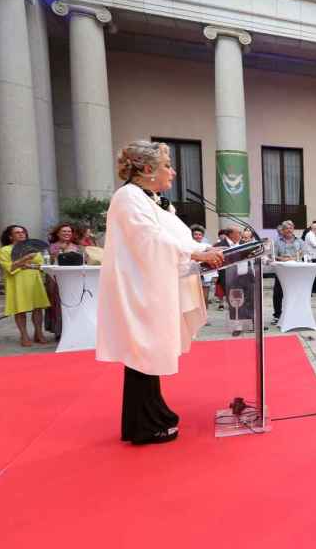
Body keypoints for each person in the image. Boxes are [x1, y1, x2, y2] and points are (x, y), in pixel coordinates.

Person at [95, 140, 223, 445]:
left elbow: (172, 236)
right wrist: (196, 255)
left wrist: (202, 249)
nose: (173, 172)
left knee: (148, 353)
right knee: (143, 352)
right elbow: (150, 240)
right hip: (140, 289)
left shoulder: (148, 198)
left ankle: (152, 417)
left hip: (154, 285)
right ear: (148, 169)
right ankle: (145, 425)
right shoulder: (128, 197)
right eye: (167, 165)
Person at [0, 225, 51, 347]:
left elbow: (41, 265)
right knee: (20, 309)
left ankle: (38, 333)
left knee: (38, 308)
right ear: (10, 236)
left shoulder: (32, 248)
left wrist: (24, 265)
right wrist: (25, 259)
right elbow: (9, 267)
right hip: (17, 282)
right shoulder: (5, 250)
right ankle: (24, 335)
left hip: (34, 280)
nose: (21, 234)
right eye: (17, 232)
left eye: (23, 232)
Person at [44, 222, 83, 337]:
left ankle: (75, 328)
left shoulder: (77, 247)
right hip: (55, 279)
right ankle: (59, 331)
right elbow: (49, 262)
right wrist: (59, 252)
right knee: (58, 303)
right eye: (64, 231)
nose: (67, 233)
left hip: (74, 279)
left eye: (69, 231)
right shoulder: (52, 246)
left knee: (74, 302)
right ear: (58, 233)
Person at [271, 220, 302, 325]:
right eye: (286, 228)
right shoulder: (277, 242)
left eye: (291, 228)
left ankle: (294, 314)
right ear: (282, 230)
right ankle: (277, 315)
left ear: (293, 229)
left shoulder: (299, 241)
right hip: (281, 272)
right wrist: (282, 259)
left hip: (295, 272)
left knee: (295, 293)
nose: (289, 230)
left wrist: (292, 258)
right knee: (278, 294)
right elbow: (273, 256)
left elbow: (304, 253)